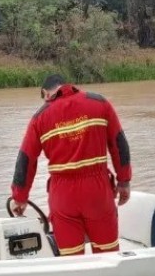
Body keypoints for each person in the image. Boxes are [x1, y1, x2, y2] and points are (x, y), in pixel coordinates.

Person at [9, 74, 132, 256]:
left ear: (46, 93)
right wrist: (124, 182)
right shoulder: (99, 103)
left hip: (63, 196)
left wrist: (19, 197)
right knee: (109, 256)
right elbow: (119, 144)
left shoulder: (39, 118)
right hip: (97, 192)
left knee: (71, 259)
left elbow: (26, 159)